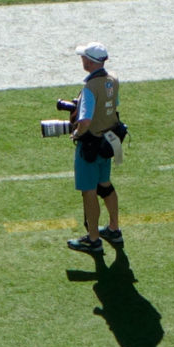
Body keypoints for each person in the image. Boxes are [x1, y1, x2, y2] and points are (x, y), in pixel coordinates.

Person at [67, 42, 123, 253]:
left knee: (89, 192)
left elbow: (86, 121)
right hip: (107, 143)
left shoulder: (90, 88)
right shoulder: (113, 80)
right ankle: (114, 228)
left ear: (90, 61)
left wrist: (77, 133)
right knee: (105, 185)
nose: (82, 60)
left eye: (83, 58)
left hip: (90, 144)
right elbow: (113, 105)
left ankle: (93, 239)